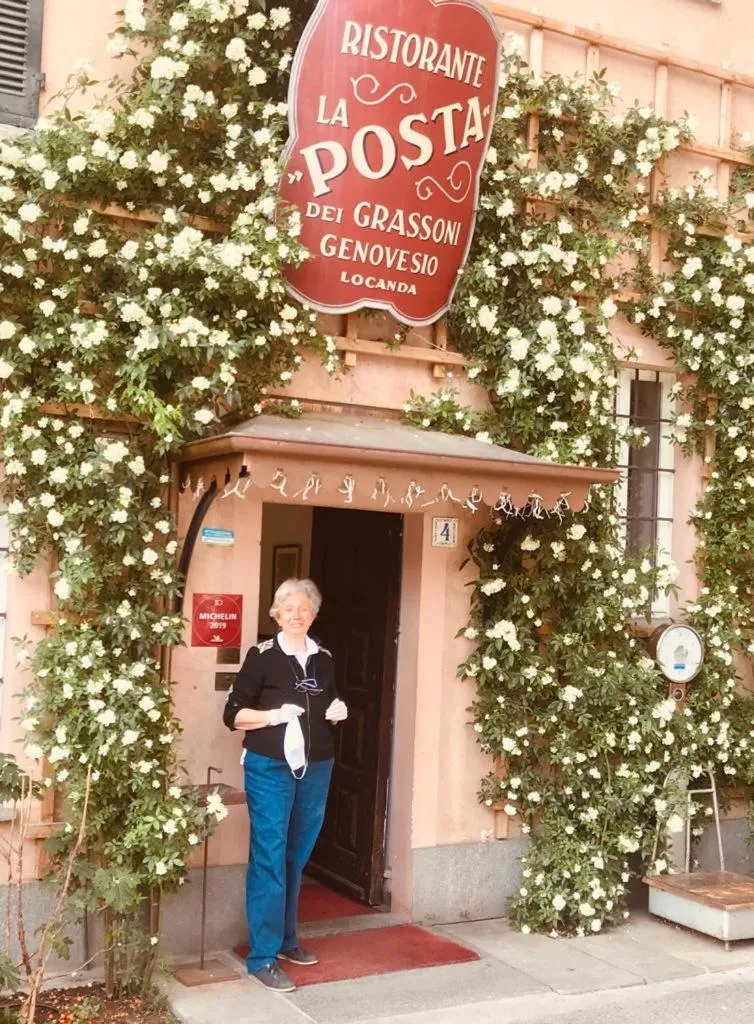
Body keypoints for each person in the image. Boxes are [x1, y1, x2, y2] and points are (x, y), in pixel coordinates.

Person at [223, 578, 348, 992]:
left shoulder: (324, 658)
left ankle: (286, 940)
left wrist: (337, 709)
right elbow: (233, 715)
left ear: (314, 613)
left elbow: (328, 701)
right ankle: (261, 956)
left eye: (305, 609)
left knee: (297, 854)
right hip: (270, 767)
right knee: (270, 855)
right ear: (276, 613)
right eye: (289, 609)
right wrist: (273, 716)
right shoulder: (262, 658)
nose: (297, 615)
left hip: (317, 766)